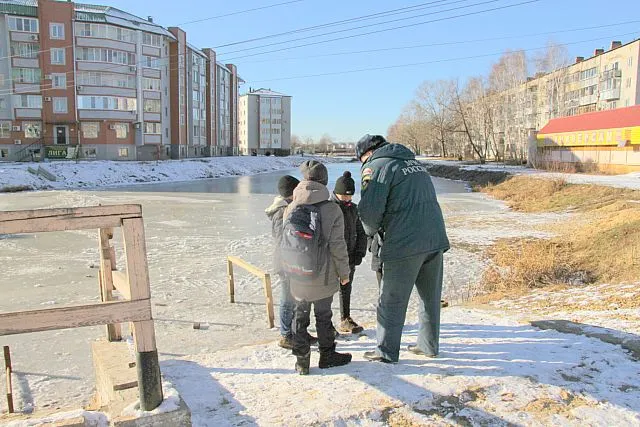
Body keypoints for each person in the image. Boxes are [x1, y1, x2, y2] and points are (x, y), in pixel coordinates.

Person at [356, 134, 450, 363]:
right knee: (430, 298)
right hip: (434, 238)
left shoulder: (376, 167)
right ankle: (428, 346)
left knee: (391, 299)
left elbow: (369, 212)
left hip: (404, 242)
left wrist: (370, 233)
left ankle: (386, 351)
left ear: (366, 154)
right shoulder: (414, 164)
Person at [283, 160, 352, 375]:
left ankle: (302, 361)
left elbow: (284, 241)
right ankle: (327, 355)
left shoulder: (292, 205)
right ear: (324, 181)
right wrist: (344, 273)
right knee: (323, 316)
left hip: (297, 273)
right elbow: (338, 245)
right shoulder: (332, 209)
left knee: (300, 316)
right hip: (323, 275)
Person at [265, 175, 317, 349]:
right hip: (285, 261)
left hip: (294, 259)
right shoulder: (281, 211)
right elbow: (283, 239)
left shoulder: (289, 207)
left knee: (297, 298)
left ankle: (298, 332)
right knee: (288, 299)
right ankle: (286, 334)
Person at [330, 171, 367, 334]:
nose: (347, 199)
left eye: (350, 196)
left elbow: (361, 231)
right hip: (332, 257)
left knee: (346, 287)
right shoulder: (329, 208)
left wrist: (359, 252)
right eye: (344, 196)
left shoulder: (354, 209)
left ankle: (345, 318)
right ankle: (325, 324)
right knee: (326, 291)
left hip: (350, 256)